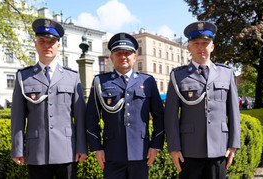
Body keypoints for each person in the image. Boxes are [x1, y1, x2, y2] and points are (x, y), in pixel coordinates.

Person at [11, 18, 87, 179]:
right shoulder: (23, 77)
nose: (47, 45)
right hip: (37, 151)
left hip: (67, 150)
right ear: (36, 44)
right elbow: (17, 117)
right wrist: (17, 149)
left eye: (51, 42)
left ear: (58, 45)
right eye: (42, 41)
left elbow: (80, 116)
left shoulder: (72, 77)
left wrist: (82, 147)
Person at [164, 21, 240, 179]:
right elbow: (171, 116)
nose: (201, 47)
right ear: (188, 48)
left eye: (205, 43)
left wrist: (233, 144)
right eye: (196, 43)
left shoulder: (226, 73)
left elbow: (234, 112)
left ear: (212, 46)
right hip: (188, 151)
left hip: (219, 149)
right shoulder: (178, 76)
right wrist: (174, 148)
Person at [86, 32, 164, 179]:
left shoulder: (147, 81)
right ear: (111, 57)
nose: (123, 57)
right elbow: (91, 118)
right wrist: (97, 148)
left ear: (134, 57)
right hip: (111, 154)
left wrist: (155, 145)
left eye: (127, 53)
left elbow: (159, 116)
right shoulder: (100, 82)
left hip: (141, 153)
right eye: (119, 53)